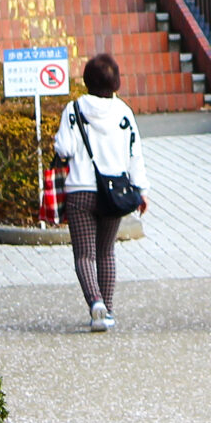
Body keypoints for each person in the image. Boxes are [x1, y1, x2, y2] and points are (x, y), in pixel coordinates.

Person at [53, 52, 148, 332]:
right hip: (114, 191)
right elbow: (135, 154)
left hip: (80, 191)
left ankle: (95, 304)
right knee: (106, 252)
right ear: (116, 82)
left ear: (86, 81)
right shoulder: (123, 112)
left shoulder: (73, 110)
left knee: (84, 255)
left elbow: (64, 148)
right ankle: (109, 311)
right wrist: (141, 189)